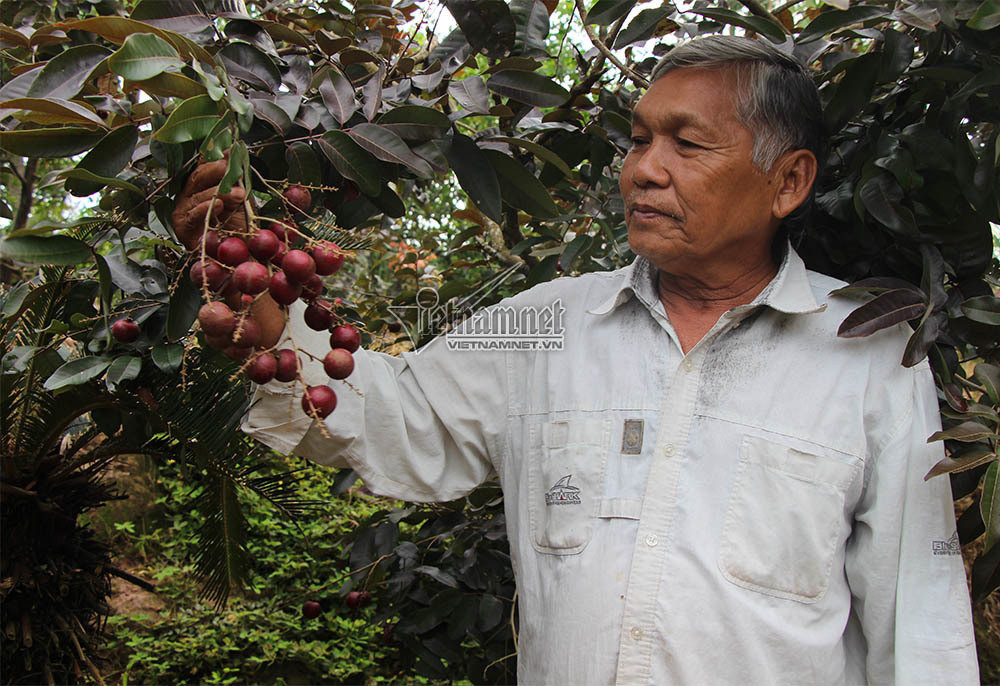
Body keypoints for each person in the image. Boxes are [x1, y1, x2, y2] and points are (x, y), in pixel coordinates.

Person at [173, 35, 978, 685]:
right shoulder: (545, 325)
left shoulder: (872, 353)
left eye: (687, 143)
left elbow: (920, 625)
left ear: (789, 182)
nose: (644, 169)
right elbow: (398, 417)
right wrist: (265, 316)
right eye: (640, 139)